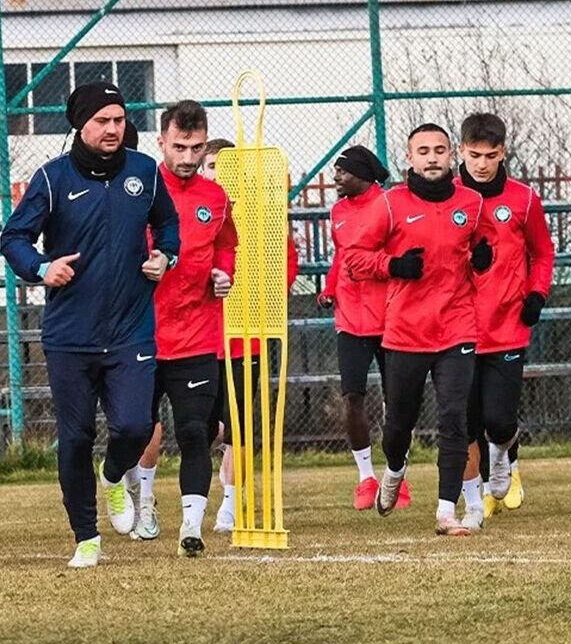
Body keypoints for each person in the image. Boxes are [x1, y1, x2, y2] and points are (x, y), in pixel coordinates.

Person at [1, 82, 180, 567]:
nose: (113, 129)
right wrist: (41, 268)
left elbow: (168, 225)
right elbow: (14, 238)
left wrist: (167, 256)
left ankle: (114, 475)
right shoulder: (52, 178)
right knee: (76, 436)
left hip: (130, 329)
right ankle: (86, 536)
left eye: (119, 120)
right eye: (102, 121)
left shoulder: (145, 171)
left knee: (134, 425)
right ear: (80, 124)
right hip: (70, 335)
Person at [341, 123, 489, 536]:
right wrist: (394, 266)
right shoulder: (390, 205)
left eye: (440, 150)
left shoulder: (472, 202)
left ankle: (446, 511)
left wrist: (482, 257)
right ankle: (394, 469)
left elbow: (482, 250)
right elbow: (354, 257)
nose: (432, 157)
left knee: (454, 419)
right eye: (423, 151)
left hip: (457, 327)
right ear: (410, 158)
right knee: (398, 426)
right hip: (406, 330)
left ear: (451, 154)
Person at [124, 101, 236, 555]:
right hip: (141, 332)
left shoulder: (215, 197)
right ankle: (143, 498)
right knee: (136, 429)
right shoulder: (139, 190)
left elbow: (227, 247)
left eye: (196, 147)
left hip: (197, 333)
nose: (188, 157)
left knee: (194, 431)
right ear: (161, 143)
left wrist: (223, 273)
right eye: (179, 147)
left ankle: (192, 525)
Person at [454, 114, 554, 531]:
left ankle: (504, 465)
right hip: (456, 326)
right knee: (464, 421)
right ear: (461, 151)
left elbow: (543, 253)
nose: (481, 163)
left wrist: (536, 294)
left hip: (508, 324)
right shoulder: (448, 196)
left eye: (490, 155)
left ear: (503, 153)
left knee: (500, 420)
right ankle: (474, 501)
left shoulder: (524, 199)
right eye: (474, 155)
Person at [195, 139, 301, 532]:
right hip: (200, 338)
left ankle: (230, 504)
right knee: (201, 427)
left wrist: (268, 298)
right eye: (211, 167)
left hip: (246, 337)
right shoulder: (191, 214)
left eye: (225, 170)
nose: (216, 176)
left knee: (239, 424)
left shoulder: (261, 218)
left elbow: (285, 266)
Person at [319, 145, 412, 510]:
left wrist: (375, 268)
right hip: (350, 320)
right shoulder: (339, 211)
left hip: (389, 317)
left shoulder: (389, 206)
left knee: (397, 403)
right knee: (352, 398)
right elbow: (342, 256)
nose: (337, 178)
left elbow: (393, 258)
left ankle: (396, 475)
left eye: (342, 172)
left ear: (362, 175)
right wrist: (329, 288)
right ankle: (365, 477)